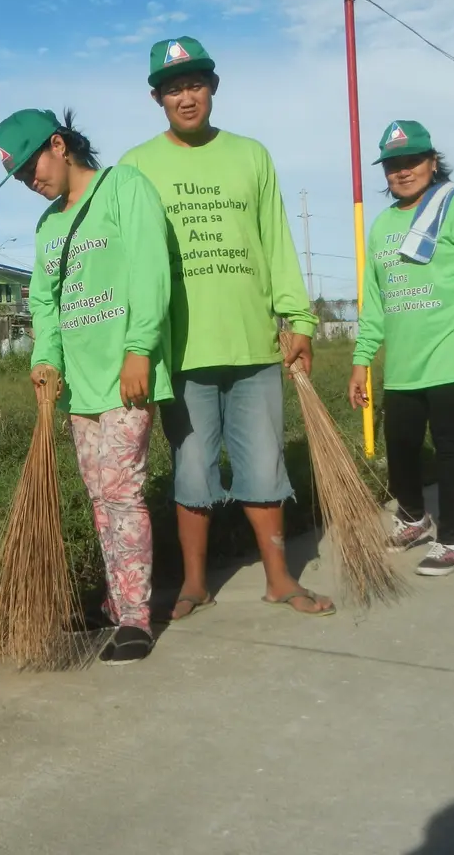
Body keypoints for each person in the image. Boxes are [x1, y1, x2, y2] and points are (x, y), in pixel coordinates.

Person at [118, 36, 335, 620]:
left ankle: (280, 579)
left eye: (195, 85)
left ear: (213, 87)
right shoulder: (135, 166)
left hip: (253, 345)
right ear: (157, 99)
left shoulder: (252, 156)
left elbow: (277, 242)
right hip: (181, 350)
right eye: (172, 89)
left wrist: (299, 319)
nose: (185, 98)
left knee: (264, 466)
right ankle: (194, 584)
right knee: (192, 470)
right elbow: (127, 260)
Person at [0, 107, 174, 665]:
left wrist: (140, 348)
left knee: (122, 494)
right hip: (77, 388)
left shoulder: (124, 188)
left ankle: (136, 619)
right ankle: (118, 600)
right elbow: (44, 303)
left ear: (58, 143)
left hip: (126, 376)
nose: (31, 180)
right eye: (19, 176)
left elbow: (150, 269)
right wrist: (46, 362)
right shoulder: (49, 225)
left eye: (32, 166)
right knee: (99, 499)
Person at [348, 120, 454, 576]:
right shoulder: (382, 226)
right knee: (399, 448)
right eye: (393, 165)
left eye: (412, 161)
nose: (402, 171)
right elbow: (376, 300)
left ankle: (452, 539)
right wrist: (362, 359)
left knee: (449, 448)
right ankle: (414, 518)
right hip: (403, 364)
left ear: (432, 162)